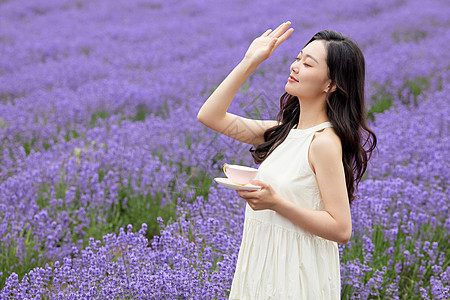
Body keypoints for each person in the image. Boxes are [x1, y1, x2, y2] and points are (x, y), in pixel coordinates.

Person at [197, 21, 377, 299]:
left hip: (296, 276)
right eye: (297, 58)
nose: (295, 66)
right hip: (260, 268)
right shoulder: (282, 132)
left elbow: (341, 228)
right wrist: (250, 60)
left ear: (331, 84)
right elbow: (210, 116)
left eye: (308, 64)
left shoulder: (324, 142)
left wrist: (276, 203)